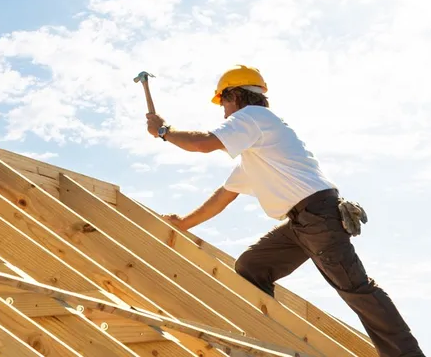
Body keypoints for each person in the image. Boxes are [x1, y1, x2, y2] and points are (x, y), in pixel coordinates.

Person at [145, 65, 424, 357]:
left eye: (224, 102)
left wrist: (164, 131)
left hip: (317, 216)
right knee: (252, 266)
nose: (224, 113)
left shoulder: (253, 118)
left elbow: (203, 143)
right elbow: (223, 197)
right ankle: (266, 341)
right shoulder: (258, 151)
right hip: (303, 222)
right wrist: (183, 223)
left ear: (236, 95)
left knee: (357, 291)